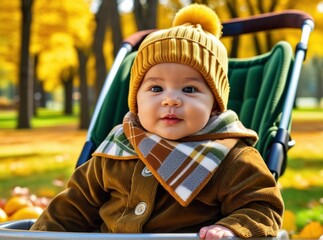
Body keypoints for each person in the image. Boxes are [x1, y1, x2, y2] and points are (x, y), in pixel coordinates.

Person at [31, 4, 284, 239]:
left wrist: (230, 228)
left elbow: (262, 206)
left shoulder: (230, 156)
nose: (170, 100)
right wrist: (41, 233)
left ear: (215, 104)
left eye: (189, 90)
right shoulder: (116, 150)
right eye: (155, 89)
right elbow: (73, 205)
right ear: (136, 100)